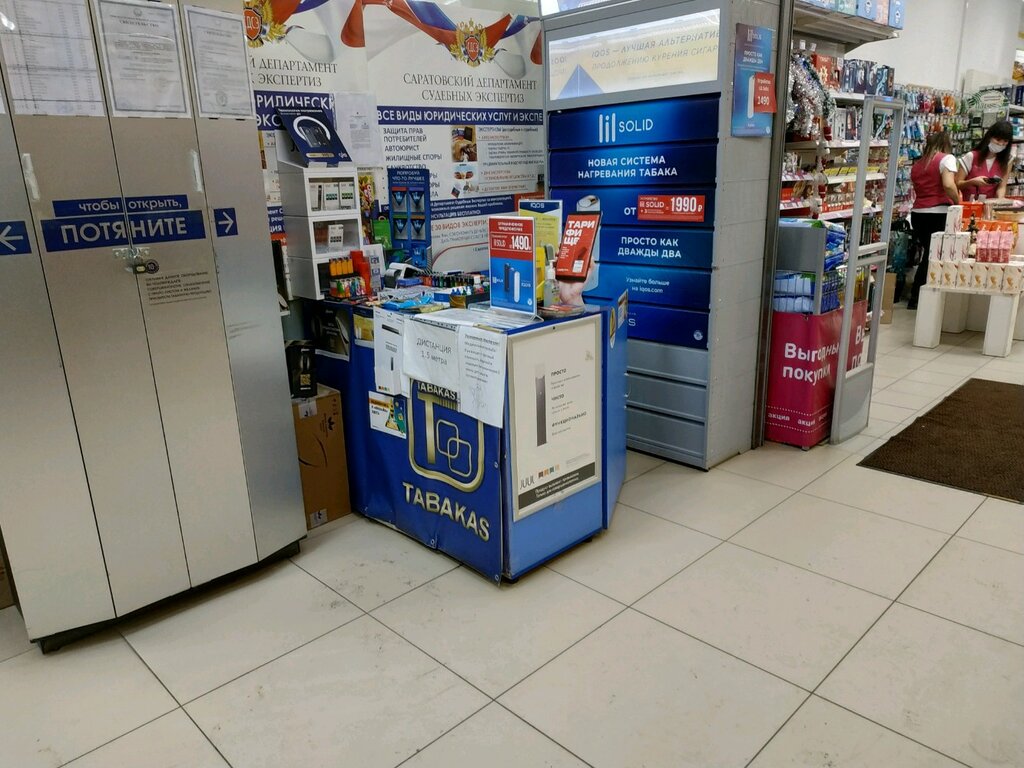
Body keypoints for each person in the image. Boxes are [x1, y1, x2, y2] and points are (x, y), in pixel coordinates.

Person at [908, 131, 961, 309]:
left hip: (918, 213)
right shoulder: (947, 159)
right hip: (938, 213)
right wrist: (957, 202)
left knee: (928, 253)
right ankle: (921, 297)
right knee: (935, 255)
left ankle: (916, 297)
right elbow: (948, 184)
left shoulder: (918, 164)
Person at [957, 120, 1013, 201]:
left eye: (1005, 141)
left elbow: (1002, 187)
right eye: (998, 140)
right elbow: (957, 183)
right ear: (990, 137)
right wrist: (972, 182)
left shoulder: (1007, 160)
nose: (1001, 144)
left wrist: (1000, 200)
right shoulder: (971, 156)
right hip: (969, 204)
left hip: (990, 205)